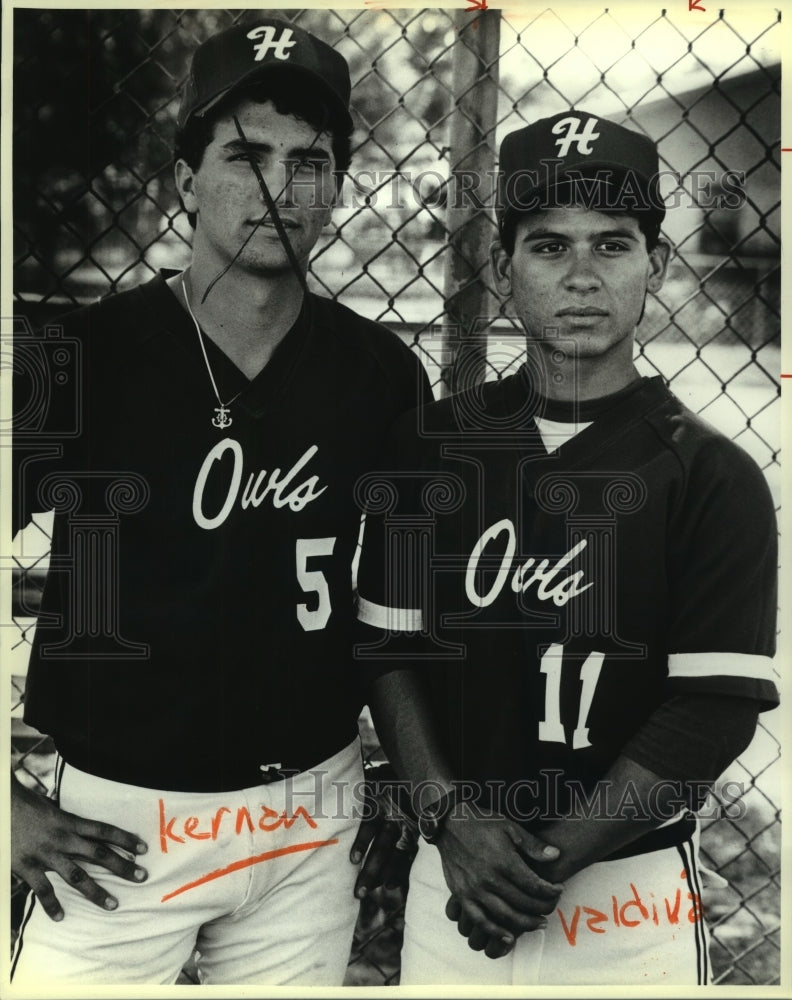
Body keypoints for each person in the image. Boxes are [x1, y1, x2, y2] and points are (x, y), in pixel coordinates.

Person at [11, 17, 429, 986]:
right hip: (115, 820)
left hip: (306, 818)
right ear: (187, 177)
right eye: (245, 154)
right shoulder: (82, 359)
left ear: (336, 186)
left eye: (310, 161)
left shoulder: (379, 373)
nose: (278, 189)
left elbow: (406, 611)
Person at [354, 111, 779, 985]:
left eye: (612, 246)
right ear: (504, 270)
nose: (582, 277)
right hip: (456, 874)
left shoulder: (710, 474)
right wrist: (454, 823)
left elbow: (714, 708)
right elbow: (388, 648)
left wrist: (536, 869)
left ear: (655, 265)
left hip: (627, 892)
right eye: (549, 247)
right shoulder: (430, 444)